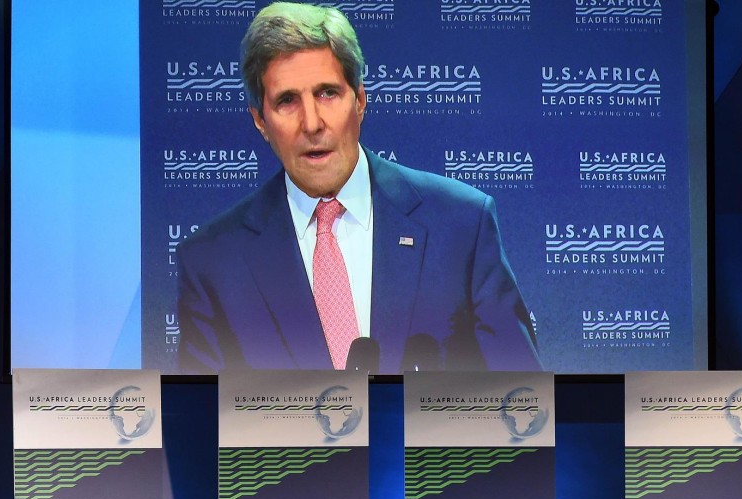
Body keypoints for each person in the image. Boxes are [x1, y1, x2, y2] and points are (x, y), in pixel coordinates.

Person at [177, 1, 540, 375]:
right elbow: (203, 423)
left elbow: (523, 403)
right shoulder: (213, 261)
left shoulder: (462, 224)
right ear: (260, 122)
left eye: (327, 93)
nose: (312, 123)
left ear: (360, 101)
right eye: (287, 101)